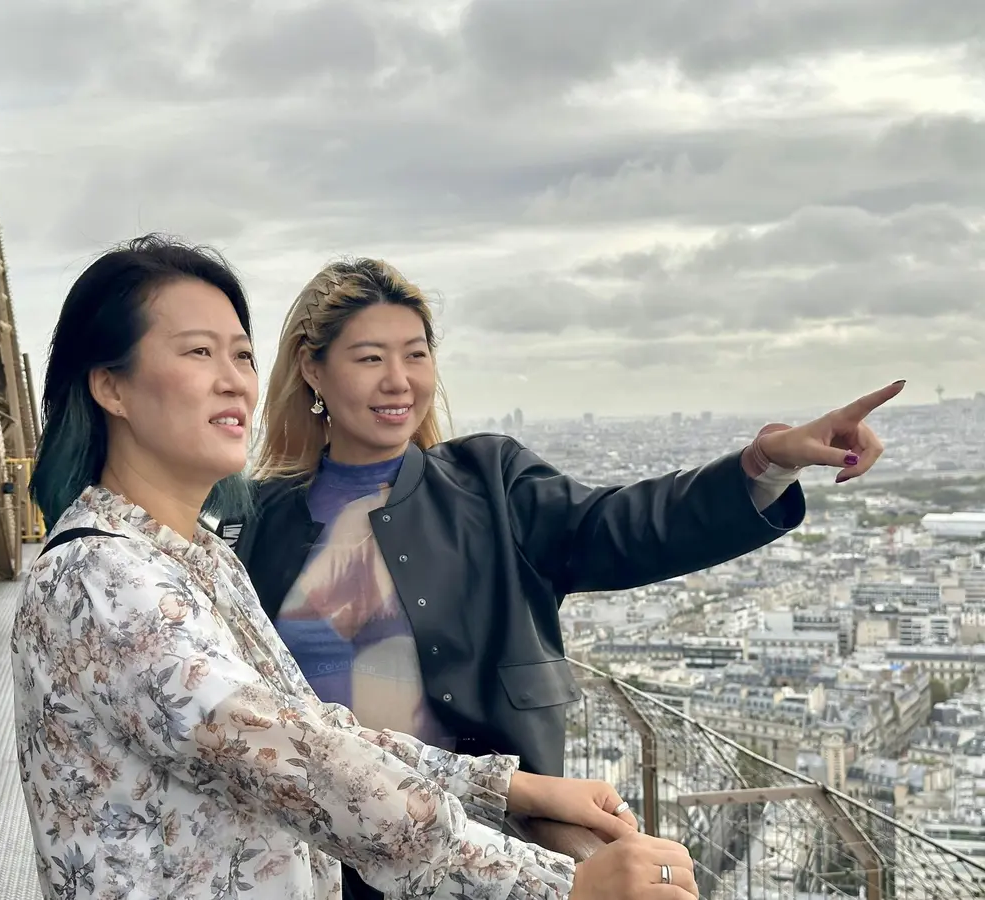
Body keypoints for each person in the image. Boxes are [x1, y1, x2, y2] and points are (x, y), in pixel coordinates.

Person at [12, 235, 701, 900]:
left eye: (243, 355)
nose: (234, 381)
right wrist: (563, 884)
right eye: (198, 352)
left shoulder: (201, 560)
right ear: (111, 387)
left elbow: (316, 730)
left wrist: (508, 788)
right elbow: (311, 770)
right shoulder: (101, 582)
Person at [218, 258, 902, 896]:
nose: (399, 380)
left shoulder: (490, 483)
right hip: (310, 860)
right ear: (312, 369)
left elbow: (623, 527)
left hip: (483, 854)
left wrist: (766, 464)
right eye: (370, 358)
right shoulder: (252, 518)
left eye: (416, 354)